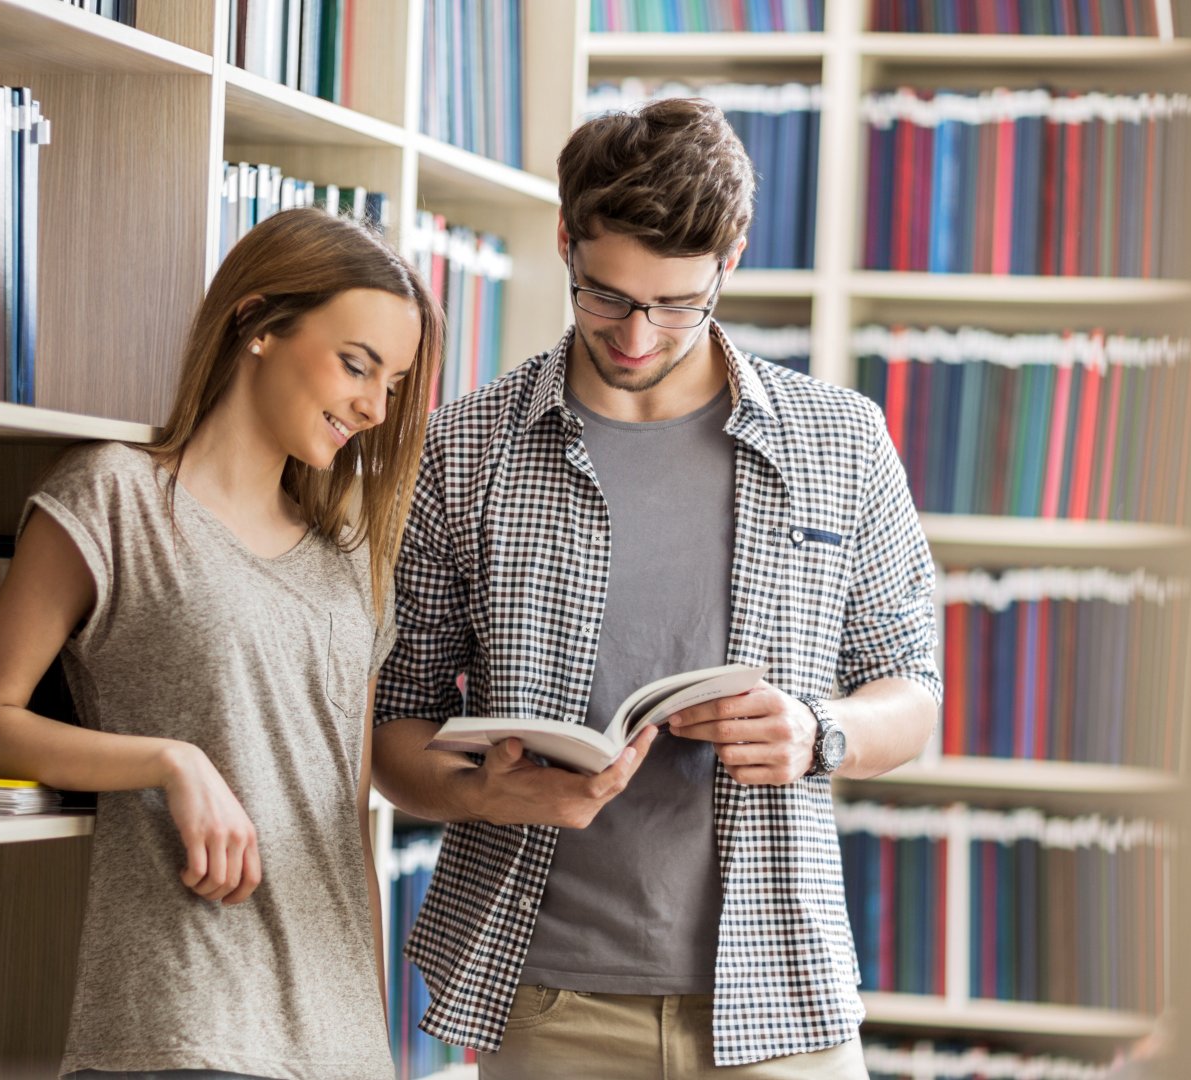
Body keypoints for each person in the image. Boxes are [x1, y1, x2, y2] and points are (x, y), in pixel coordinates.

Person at [369, 98, 941, 1079]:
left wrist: (815, 731)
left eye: (677, 303)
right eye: (605, 296)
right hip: (548, 998)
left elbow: (914, 693)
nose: (637, 334)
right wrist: (488, 794)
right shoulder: (464, 451)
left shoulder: (841, 441)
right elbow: (393, 734)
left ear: (732, 260)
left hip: (782, 999)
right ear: (565, 239)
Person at [0, 208, 442, 1080]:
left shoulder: (355, 556)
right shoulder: (115, 497)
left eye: (395, 383)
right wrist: (170, 761)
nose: (374, 406)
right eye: (356, 365)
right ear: (258, 325)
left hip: (339, 1040)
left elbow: (348, 818)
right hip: (181, 1021)